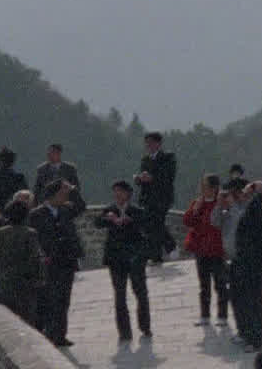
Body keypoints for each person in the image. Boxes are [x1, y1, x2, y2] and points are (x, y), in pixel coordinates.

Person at [92, 180, 153, 342]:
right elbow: (97, 223)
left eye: (120, 191)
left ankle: (145, 325)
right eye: (115, 191)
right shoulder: (109, 210)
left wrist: (129, 221)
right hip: (116, 259)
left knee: (140, 292)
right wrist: (109, 219)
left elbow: (147, 225)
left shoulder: (136, 210)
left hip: (135, 258)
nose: (117, 194)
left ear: (128, 193)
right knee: (119, 295)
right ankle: (124, 332)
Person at [30, 180, 83, 346]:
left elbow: (81, 206)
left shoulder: (66, 210)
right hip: (49, 262)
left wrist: (72, 190)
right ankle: (47, 333)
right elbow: (34, 238)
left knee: (63, 299)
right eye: (63, 193)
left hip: (67, 261)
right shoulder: (37, 214)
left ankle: (60, 335)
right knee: (49, 299)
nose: (65, 196)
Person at [0, 196, 44, 327]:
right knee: (26, 320)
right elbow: (35, 258)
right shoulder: (30, 233)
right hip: (24, 283)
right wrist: (39, 279)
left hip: (3, 282)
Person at [183, 173, 230, 326]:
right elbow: (187, 221)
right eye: (202, 186)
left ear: (214, 188)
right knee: (204, 285)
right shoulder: (198, 203)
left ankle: (222, 316)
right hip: (200, 249)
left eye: (206, 186)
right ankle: (205, 315)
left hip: (216, 249)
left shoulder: (221, 203)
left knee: (220, 284)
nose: (203, 190)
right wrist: (195, 210)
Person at [229, 178, 262, 351]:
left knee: (252, 302)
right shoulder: (251, 210)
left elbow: (251, 241)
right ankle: (248, 335)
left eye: (246, 192)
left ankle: (256, 340)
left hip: (252, 265)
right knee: (244, 300)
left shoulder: (255, 211)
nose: (243, 194)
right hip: (246, 262)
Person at [135, 132, 176, 264]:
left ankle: (167, 249)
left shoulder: (168, 157)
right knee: (150, 226)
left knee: (157, 223)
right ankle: (158, 254)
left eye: (151, 142)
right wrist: (139, 178)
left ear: (158, 143)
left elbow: (168, 176)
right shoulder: (145, 160)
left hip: (162, 197)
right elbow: (142, 178)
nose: (148, 145)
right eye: (147, 143)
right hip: (147, 198)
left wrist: (152, 178)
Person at [34, 143, 83, 210]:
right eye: (48, 153)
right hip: (47, 203)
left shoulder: (70, 168)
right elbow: (37, 189)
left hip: (66, 203)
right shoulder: (42, 169)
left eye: (52, 152)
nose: (49, 155)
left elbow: (76, 186)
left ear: (59, 153)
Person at [0, 147, 26, 211]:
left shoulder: (19, 178)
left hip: (13, 212)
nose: (5, 162)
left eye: (7, 160)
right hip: (1, 211)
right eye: (3, 160)